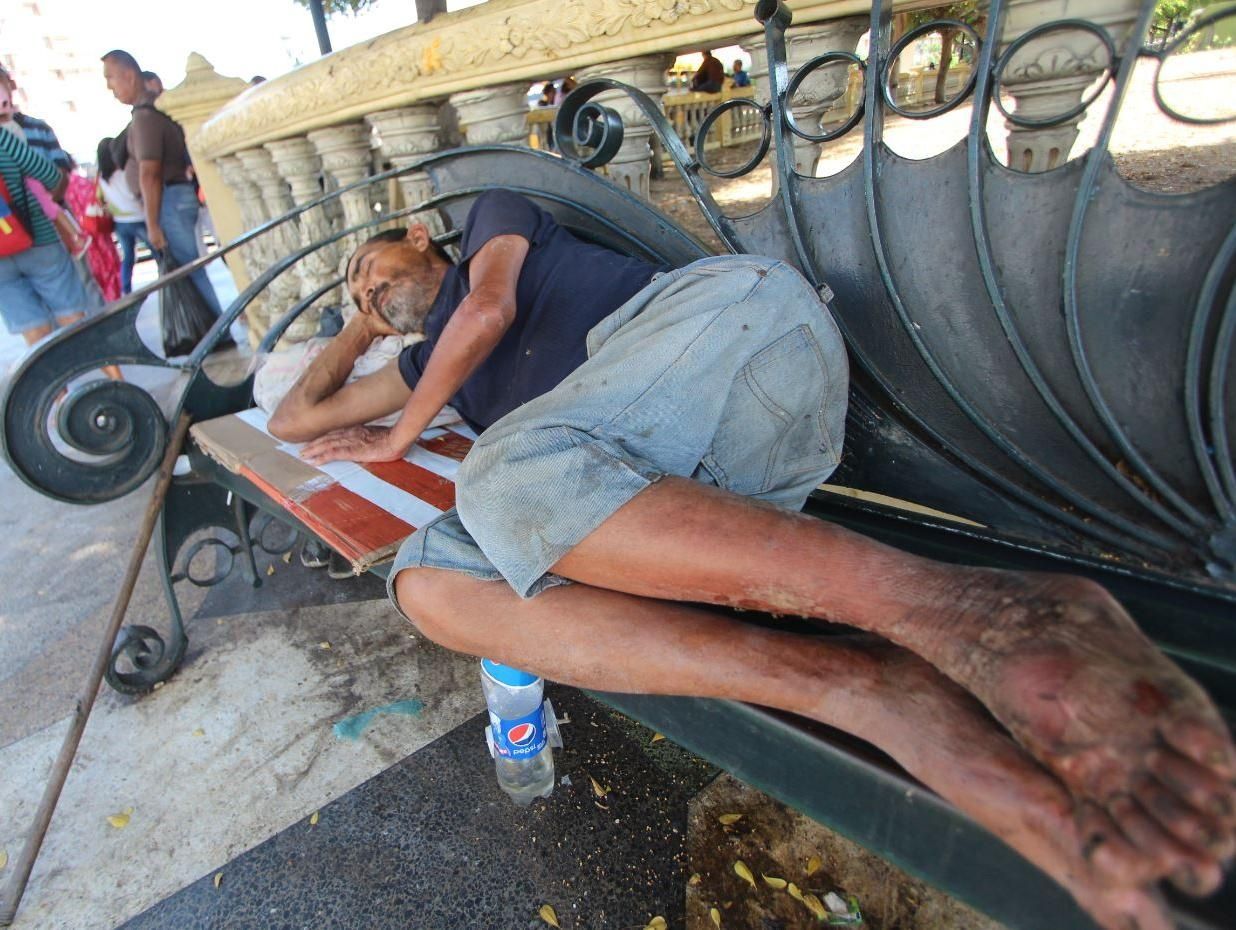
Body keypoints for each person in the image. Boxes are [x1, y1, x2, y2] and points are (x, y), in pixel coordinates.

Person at [269, 190, 1236, 930]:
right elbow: (294, 420)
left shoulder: (492, 229)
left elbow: (482, 312)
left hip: (737, 338)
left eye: (374, 269)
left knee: (499, 474)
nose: (373, 291)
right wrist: (364, 326)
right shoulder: (415, 360)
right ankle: (858, 689)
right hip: (679, 500)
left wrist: (401, 434)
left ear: (417, 234)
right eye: (360, 296)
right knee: (428, 586)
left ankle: (975, 612)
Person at [101, 50, 226, 326]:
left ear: (129, 76)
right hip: (171, 196)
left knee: (189, 270)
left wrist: (153, 224)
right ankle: (213, 330)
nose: (110, 87)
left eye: (111, 78)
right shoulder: (146, 113)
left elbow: (150, 172)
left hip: (169, 197)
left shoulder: (146, 115)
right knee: (187, 269)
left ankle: (217, 331)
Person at [0, 127, 122, 381]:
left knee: (35, 333)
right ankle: (118, 381)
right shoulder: (3, 138)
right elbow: (51, 176)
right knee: (74, 319)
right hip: (38, 239)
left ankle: (57, 402)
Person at [96, 136, 150, 295]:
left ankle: (125, 289)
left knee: (127, 258)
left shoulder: (101, 179)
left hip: (120, 222)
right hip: (138, 217)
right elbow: (135, 193)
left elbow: (101, 200)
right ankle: (167, 283)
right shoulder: (124, 171)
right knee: (158, 252)